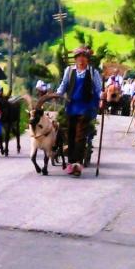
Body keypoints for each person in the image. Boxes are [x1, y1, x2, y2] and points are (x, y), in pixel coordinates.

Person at [50, 46, 103, 177]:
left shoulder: (92, 72)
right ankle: (71, 162)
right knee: (71, 135)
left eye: (84, 57)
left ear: (87, 59)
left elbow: (98, 88)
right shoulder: (69, 71)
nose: (81, 60)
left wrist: (103, 97)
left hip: (86, 107)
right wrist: (57, 95)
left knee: (80, 135)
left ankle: (77, 163)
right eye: (79, 57)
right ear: (75, 59)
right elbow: (63, 85)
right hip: (71, 107)